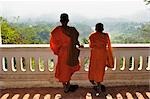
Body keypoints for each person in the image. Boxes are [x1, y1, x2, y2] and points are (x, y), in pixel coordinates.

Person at [50, 13, 81, 93]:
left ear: (60, 21)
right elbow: (76, 41)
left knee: (64, 70)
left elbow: (53, 44)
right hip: (71, 52)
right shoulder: (72, 30)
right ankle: (66, 87)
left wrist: (58, 50)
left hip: (63, 53)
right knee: (67, 69)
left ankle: (67, 85)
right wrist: (79, 45)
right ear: (68, 20)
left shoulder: (57, 31)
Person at [88, 23, 114, 96]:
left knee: (93, 68)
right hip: (103, 54)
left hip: (95, 54)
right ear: (102, 28)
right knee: (100, 70)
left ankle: (96, 85)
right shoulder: (106, 36)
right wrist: (109, 57)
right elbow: (108, 46)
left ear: (96, 28)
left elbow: (91, 45)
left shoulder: (92, 36)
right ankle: (98, 85)